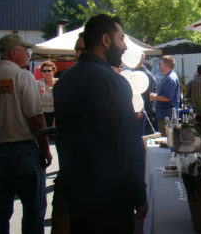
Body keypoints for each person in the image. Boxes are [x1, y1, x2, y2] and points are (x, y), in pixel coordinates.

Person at [53, 14, 148, 234]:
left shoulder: (64, 81)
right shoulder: (114, 83)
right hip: (110, 202)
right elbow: (128, 146)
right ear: (106, 40)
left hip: (76, 198)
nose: (124, 46)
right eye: (121, 38)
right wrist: (139, 195)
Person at [0, 34, 53, 234]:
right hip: (22, 151)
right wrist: (45, 149)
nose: (28, 54)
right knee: (33, 210)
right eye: (25, 50)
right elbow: (36, 118)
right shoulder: (22, 76)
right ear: (13, 53)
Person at [51, 34, 86, 234]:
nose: (78, 54)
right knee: (63, 223)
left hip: (93, 175)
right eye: (77, 50)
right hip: (70, 171)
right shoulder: (65, 81)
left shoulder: (108, 81)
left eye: (82, 49)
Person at [149, 55, 180, 136]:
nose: (159, 66)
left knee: (167, 141)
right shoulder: (169, 77)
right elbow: (166, 94)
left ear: (166, 65)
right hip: (165, 116)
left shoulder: (170, 78)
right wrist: (156, 95)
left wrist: (155, 97)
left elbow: (167, 97)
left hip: (167, 117)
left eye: (161, 64)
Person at [135, 52, 157, 135]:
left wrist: (143, 112)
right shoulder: (134, 73)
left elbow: (150, 98)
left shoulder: (147, 75)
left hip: (144, 115)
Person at [37, 60, 58, 131]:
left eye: (49, 71)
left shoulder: (59, 83)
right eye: (44, 71)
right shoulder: (38, 84)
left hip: (55, 114)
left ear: (53, 71)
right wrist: (36, 93)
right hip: (42, 114)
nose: (46, 73)